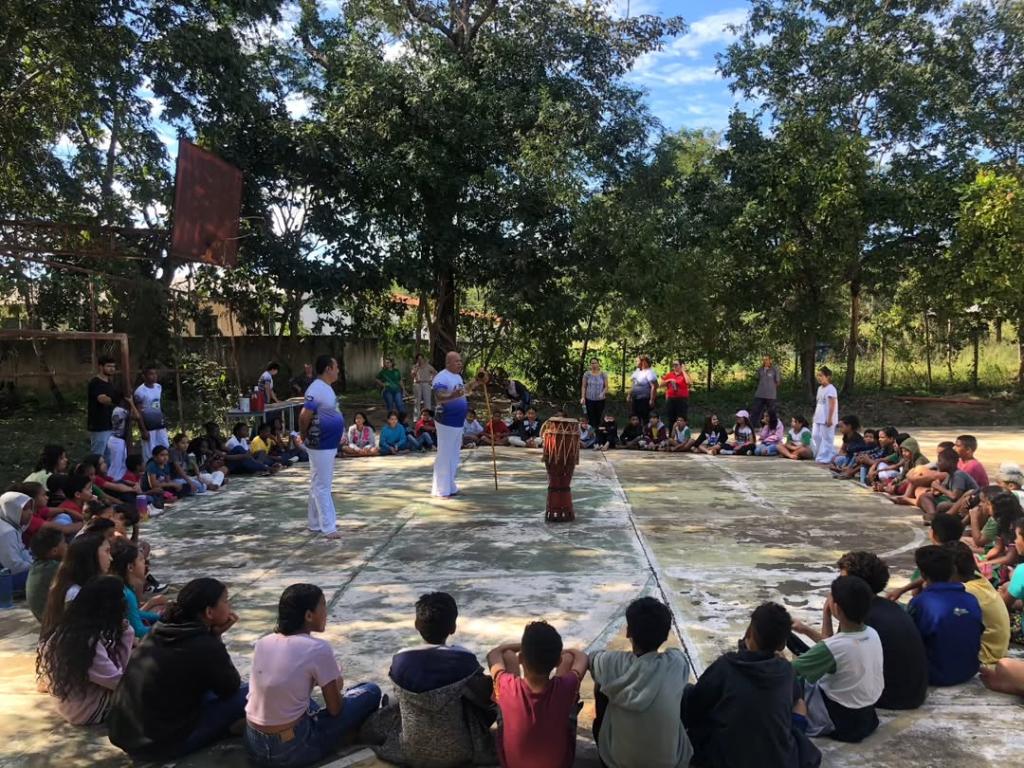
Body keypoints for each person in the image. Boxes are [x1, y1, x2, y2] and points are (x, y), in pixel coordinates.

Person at [108, 577, 247, 761]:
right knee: (250, 692)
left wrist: (211, 637)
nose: (230, 606)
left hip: (127, 736)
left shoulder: (159, 630)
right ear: (209, 612)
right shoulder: (204, 645)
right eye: (226, 601)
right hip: (161, 745)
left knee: (209, 687)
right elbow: (230, 687)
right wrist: (215, 638)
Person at [244, 583, 381, 767]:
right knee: (370, 691)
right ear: (308, 615)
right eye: (323, 605)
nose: (326, 612)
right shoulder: (318, 648)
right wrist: (336, 682)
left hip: (254, 744)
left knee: (303, 701)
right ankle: (346, 735)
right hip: (291, 749)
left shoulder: (263, 642)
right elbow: (335, 709)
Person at [364, 592, 496, 766]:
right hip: (461, 751)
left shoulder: (400, 660)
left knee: (393, 700)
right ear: (453, 628)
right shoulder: (463, 660)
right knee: (480, 698)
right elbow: (486, 698)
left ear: (416, 624)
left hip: (410, 751)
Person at [683, 602, 821, 768]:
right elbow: (795, 703)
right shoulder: (786, 671)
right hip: (777, 760)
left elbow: (695, 706)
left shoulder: (726, 666)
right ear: (782, 644)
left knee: (689, 694)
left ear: (750, 633)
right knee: (799, 704)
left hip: (726, 759)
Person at [590, 597, 692, 768]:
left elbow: (589, 658)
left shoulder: (611, 662)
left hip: (616, 762)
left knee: (602, 683)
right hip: (671, 764)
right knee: (684, 689)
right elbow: (678, 655)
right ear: (665, 635)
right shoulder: (676, 663)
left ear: (628, 632)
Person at [827, 552, 928, 710]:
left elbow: (829, 654)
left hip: (890, 698)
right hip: (915, 693)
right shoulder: (892, 607)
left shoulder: (858, 616)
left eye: (842, 580)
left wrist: (826, 613)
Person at [789, 576, 883, 742]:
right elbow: (834, 647)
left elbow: (788, 671)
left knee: (793, 679)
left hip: (840, 721)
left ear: (837, 608)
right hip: (866, 716)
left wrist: (779, 657)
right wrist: (807, 628)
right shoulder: (872, 633)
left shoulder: (833, 648)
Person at [487, 621, 588, 768]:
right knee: (569, 659)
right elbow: (581, 657)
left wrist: (526, 647)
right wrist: (559, 651)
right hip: (561, 765)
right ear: (557, 661)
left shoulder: (506, 685)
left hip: (511, 765)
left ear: (521, 658)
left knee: (508, 656)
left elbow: (495, 653)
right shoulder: (566, 686)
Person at [36, 575, 134, 725]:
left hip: (72, 704)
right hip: (88, 710)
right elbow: (118, 681)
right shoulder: (86, 643)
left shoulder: (67, 630)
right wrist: (127, 634)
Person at [908, 545, 983, 685]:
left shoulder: (920, 602)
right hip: (969, 670)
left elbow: (911, 640)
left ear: (923, 575)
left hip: (935, 675)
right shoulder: (971, 599)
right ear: (953, 570)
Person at [300, 355, 345, 539]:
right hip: (321, 443)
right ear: (328, 369)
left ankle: (314, 523)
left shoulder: (326, 388)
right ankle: (328, 526)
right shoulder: (316, 388)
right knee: (322, 486)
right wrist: (303, 435)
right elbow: (304, 416)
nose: (338, 370)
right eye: (336, 367)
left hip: (328, 443)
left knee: (316, 483)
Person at [947, 541, 1010, 665]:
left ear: (953, 570)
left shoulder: (965, 590)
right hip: (997, 650)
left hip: (985, 656)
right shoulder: (979, 579)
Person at [41, 532, 113, 635]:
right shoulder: (75, 593)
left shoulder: (90, 586)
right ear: (91, 555)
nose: (111, 558)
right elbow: (79, 635)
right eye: (107, 551)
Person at [431, 351, 480, 499]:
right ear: (448, 363)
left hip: (458, 422)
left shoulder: (458, 377)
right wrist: (452, 395)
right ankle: (441, 489)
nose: (460, 363)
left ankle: (450, 485)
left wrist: (477, 381)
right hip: (446, 420)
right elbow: (439, 396)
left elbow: (464, 391)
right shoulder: (441, 377)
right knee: (445, 454)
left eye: (460, 361)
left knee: (454, 455)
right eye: (456, 361)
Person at [109, 539, 161, 639]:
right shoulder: (126, 593)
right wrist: (166, 627)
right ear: (130, 567)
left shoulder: (122, 586)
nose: (145, 564)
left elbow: (136, 613)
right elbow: (139, 631)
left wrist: (160, 618)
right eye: (141, 560)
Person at [916, 447, 979, 520]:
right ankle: (933, 514)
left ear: (950, 462)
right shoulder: (950, 475)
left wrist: (938, 487)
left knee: (942, 506)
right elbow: (940, 492)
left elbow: (955, 497)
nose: (937, 463)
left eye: (940, 461)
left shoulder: (958, 475)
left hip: (967, 504)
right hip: (955, 502)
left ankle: (936, 517)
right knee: (924, 496)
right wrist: (935, 489)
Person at [26, 528, 67, 622]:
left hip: (46, 619)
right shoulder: (53, 568)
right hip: (55, 621)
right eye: (64, 543)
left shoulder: (38, 565)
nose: (67, 545)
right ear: (54, 551)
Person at [87, 355, 123, 462]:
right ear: (101, 367)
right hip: (99, 425)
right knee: (97, 456)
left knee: (109, 457)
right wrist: (114, 399)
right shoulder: (95, 382)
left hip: (110, 424)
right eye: (109, 366)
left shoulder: (110, 383)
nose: (112, 369)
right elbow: (102, 399)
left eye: (113, 366)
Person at [0, 490, 34, 593]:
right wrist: (37, 567)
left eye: (30, 508)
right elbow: (13, 567)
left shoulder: (9, 525)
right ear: (11, 509)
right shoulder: (7, 532)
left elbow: (22, 552)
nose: (30, 512)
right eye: (25, 509)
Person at [134, 365, 168, 462]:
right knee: (150, 453)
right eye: (151, 374)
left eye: (155, 374)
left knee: (164, 447)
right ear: (144, 376)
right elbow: (138, 412)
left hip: (160, 425)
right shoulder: (140, 392)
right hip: (149, 427)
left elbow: (158, 405)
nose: (154, 376)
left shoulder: (158, 387)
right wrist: (143, 430)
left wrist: (164, 419)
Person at [811, 366, 838, 464]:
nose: (819, 378)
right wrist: (815, 416)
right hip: (818, 417)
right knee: (815, 435)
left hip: (827, 417)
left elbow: (832, 405)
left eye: (821, 376)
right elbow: (818, 403)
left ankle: (827, 456)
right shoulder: (819, 388)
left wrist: (829, 418)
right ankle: (820, 453)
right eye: (818, 375)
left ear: (828, 377)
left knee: (827, 438)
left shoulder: (831, 389)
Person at [750, 354, 782, 429]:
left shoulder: (774, 370)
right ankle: (751, 427)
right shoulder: (760, 370)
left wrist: (772, 388)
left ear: (770, 360)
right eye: (764, 360)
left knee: (771, 412)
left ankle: (772, 427)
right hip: (760, 394)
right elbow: (757, 379)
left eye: (767, 359)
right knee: (755, 411)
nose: (765, 361)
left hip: (770, 395)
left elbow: (778, 382)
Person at [660, 359, 692, 427]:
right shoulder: (670, 374)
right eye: (673, 365)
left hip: (682, 399)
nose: (674, 366)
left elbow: (689, 382)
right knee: (671, 417)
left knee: (682, 417)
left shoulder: (684, 374)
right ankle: (671, 432)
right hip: (671, 399)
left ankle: (683, 432)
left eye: (676, 365)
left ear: (681, 365)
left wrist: (683, 371)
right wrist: (669, 380)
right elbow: (661, 385)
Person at [627, 355, 658, 422]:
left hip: (645, 400)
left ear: (643, 362)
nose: (636, 363)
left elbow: (654, 386)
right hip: (636, 400)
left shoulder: (649, 372)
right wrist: (629, 395)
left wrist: (652, 400)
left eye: (637, 361)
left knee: (645, 418)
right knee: (635, 418)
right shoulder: (637, 371)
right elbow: (633, 384)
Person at [580, 357, 609, 427]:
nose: (594, 365)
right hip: (589, 399)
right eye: (592, 363)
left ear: (598, 364)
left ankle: (597, 432)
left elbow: (606, 387)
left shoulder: (603, 374)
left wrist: (602, 393)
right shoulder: (587, 374)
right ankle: (592, 432)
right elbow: (583, 386)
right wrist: (583, 397)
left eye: (595, 363)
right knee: (591, 417)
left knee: (598, 417)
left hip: (600, 400)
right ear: (590, 364)